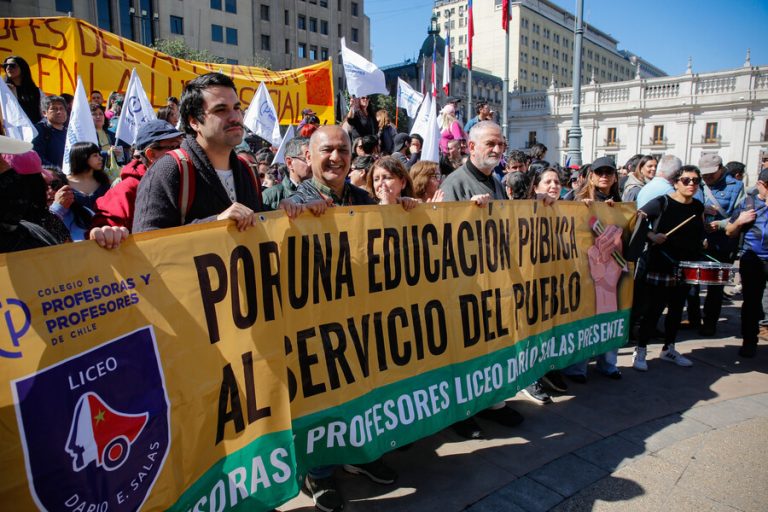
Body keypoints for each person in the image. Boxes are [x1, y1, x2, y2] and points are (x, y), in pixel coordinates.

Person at [283, 125, 402, 512]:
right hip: (315, 323)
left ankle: (359, 454)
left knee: (362, 390)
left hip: (360, 316)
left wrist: (405, 213)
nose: (336, 157)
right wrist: (294, 219)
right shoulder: (289, 200)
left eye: (343, 150)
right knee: (323, 399)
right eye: (327, 150)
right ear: (309, 156)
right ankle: (317, 473)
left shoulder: (362, 198)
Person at [439, 121, 525, 438]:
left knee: (491, 350)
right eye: (491, 143)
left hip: (493, 284)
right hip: (465, 287)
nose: (498, 149)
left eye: (501, 144)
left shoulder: (497, 182)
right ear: (471, 147)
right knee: (466, 354)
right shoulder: (456, 184)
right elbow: (443, 235)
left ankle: (492, 403)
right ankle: (461, 412)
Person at [133, 72, 267, 233]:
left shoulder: (248, 170)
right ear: (194, 121)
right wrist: (214, 224)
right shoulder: (168, 170)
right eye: (221, 110)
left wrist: (287, 209)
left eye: (237, 108)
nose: (235, 117)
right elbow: (147, 244)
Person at [633, 165, 705, 371]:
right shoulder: (662, 202)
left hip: (685, 265)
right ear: (675, 182)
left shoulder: (697, 207)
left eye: (695, 180)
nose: (691, 184)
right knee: (653, 310)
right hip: (660, 262)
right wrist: (651, 235)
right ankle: (641, 350)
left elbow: (698, 230)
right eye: (686, 180)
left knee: (676, 310)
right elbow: (635, 219)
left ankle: (669, 348)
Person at [563, 157, 623, 382]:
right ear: (591, 176)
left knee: (611, 316)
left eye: (609, 172)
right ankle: (577, 368)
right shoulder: (577, 198)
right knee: (585, 319)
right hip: (584, 267)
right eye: (599, 172)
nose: (604, 176)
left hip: (612, 267)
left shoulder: (620, 202)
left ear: (615, 177)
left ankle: (608, 364)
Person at [92, 120, 183, 231]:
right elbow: (103, 228)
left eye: (181, 146)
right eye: (173, 147)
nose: (180, 152)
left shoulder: (186, 177)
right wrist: (107, 233)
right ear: (151, 154)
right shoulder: (127, 189)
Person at [696, 153, 744, 336]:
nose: (707, 178)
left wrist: (721, 224)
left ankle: (709, 322)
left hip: (722, 243)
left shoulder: (736, 186)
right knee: (690, 284)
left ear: (721, 169)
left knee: (715, 288)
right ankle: (693, 318)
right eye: (704, 174)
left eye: (711, 174)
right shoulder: (697, 184)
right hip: (699, 242)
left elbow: (741, 215)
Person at [725, 168, 768, 358]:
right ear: (760, 185)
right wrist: (739, 222)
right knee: (751, 302)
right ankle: (749, 341)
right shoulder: (748, 204)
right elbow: (730, 232)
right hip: (753, 260)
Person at [261, 137, 310, 210]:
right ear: (289, 163)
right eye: (307, 159)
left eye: (315, 159)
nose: (312, 163)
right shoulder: (271, 195)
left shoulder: (324, 192)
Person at [2, 56, 43, 123]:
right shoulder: (3, 89)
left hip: (34, 130)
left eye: (12, 65)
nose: (8, 68)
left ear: (22, 68)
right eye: (5, 66)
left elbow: (45, 113)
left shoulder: (36, 91)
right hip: (10, 130)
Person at [32, 95, 68, 168]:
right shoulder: (38, 130)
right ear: (44, 113)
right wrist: (57, 172)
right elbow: (36, 156)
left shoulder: (70, 132)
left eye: (62, 108)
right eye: (54, 109)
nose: (59, 112)